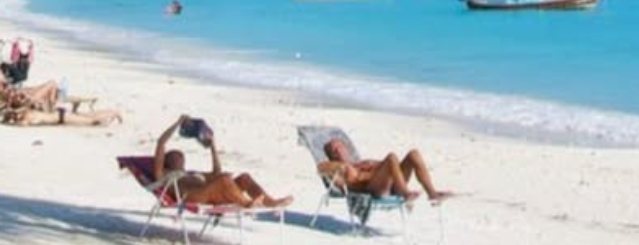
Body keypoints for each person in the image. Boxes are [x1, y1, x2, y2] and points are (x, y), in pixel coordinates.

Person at [153, 115, 292, 208]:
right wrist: (178, 123)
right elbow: (161, 143)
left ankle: (271, 202)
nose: (180, 158)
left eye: (181, 156)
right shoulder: (164, 175)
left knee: (244, 178)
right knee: (224, 180)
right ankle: (248, 204)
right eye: (176, 156)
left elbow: (216, 173)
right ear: (167, 161)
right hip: (192, 197)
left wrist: (212, 144)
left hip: (210, 194)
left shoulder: (190, 173)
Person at [318, 138, 452, 203]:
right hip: (374, 189)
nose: (338, 150)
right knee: (391, 157)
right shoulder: (339, 169)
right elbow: (320, 168)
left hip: (391, 182)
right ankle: (405, 193)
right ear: (331, 156)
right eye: (334, 150)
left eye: (340, 146)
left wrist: (374, 166)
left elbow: (388, 166)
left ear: (346, 148)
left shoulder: (361, 163)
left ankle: (432, 194)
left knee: (413, 154)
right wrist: (339, 166)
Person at [3, 106, 122, 126]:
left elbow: (22, 124)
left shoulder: (26, 118)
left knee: (91, 121)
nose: (15, 119)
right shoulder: (26, 112)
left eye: (13, 118)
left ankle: (114, 113)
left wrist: (6, 122)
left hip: (62, 117)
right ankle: (112, 112)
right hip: (60, 114)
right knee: (87, 116)